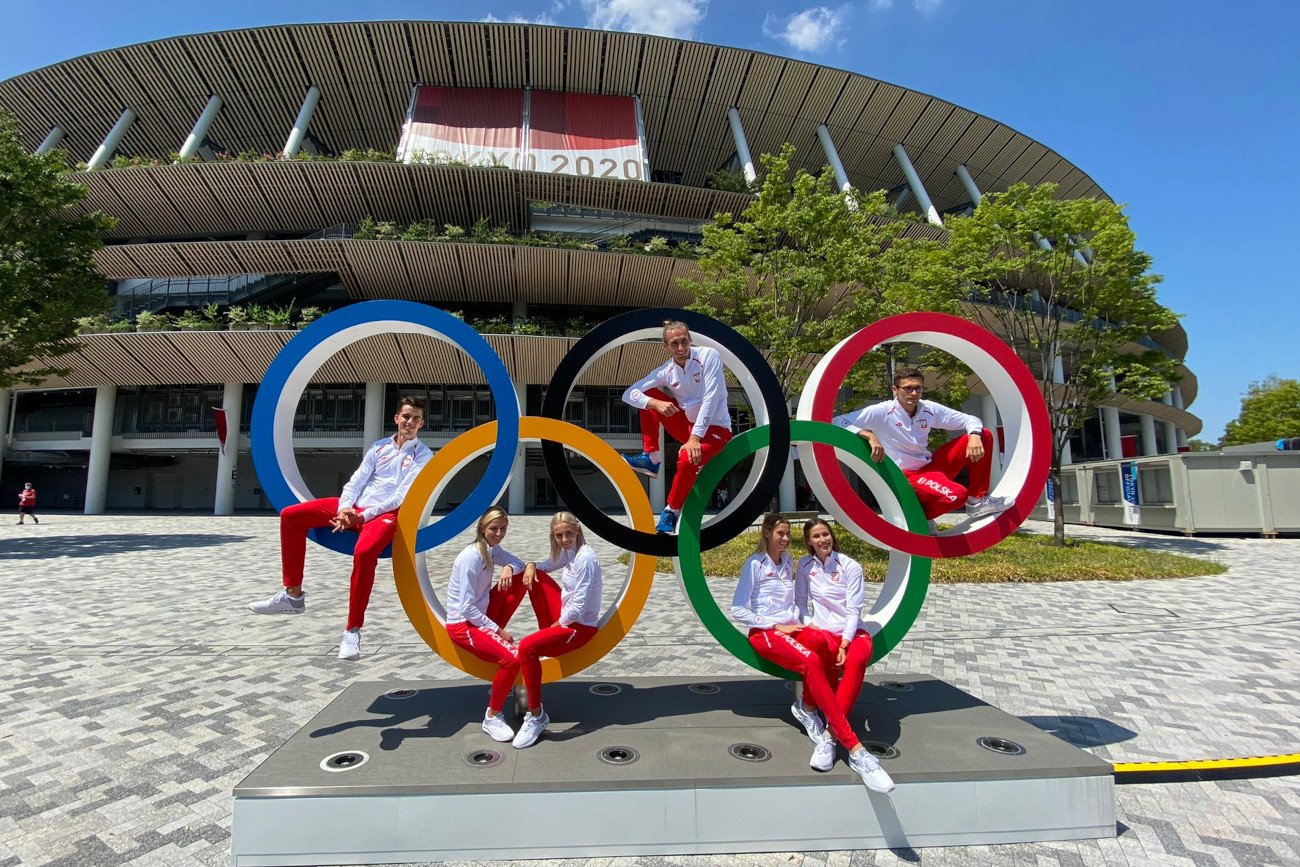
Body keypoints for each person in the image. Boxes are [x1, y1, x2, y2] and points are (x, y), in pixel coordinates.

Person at [248, 396, 432, 662]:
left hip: (384, 515)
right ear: (396, 418)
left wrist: (362, 517)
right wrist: (345, 509)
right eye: (406, 416)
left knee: (365, 552)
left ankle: (352, 631)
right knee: (290, 516)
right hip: (354, 507)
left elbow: (400, 497)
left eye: (416, 418)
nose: (410, 422)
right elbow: (356, 480)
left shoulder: (423, 455)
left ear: (422, 423)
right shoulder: (379, 447)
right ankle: (293, 595)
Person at [730, 513, 895, 794]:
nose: (785, 538)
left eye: (788, 534)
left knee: (823, 645)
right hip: (767, 632)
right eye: (780, 533)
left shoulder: (790, 563)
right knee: (811, 660)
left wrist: (802, 624)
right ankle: (855, 748)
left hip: (798, 628)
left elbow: (798, 604)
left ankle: (810, 711)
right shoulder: (755, 564)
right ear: (767, 533)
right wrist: (776, 625)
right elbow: (738, 609)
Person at [833, 367, 1008, 522]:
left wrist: (975, 435)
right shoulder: (883, 411)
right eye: (908, 388)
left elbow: (970, 419)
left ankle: (977, 501)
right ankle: (919, 519)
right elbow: (837, 421)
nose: (914, 393)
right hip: (907, 475)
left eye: (918, 388)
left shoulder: (928, 408)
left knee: (984, 434)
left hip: (931, 467)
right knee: (956, 495)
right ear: (895, 390)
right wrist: (869, 435)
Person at [621, 320, 733, 535]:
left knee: (687, 458)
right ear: (665, 346)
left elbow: (711, 398)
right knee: (648, 396)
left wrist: (695, 439)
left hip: (716, 429)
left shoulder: (708, 356)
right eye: (674, 343)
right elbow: (629, 394)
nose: (681, 348)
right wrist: (654, 403)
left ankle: (670, 511)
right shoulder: (667, 370)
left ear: (690, 340)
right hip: (687, 427)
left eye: (684, 341)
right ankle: (651, 458)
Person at [509, 511, 604, 749]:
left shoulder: (585, 558)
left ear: (578, 530)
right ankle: (548, 638)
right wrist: (531, 565)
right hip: (566, 617)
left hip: (579, 627)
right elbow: (546, 566)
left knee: (527, 647)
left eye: (568, 533)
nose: (564, 540)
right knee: (537, 576)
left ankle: (536, 715)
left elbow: (579, 607)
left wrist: (559, 623)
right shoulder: (568, 552)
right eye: (558, 535)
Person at [444, 506, 530, 744]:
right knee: (512, 659)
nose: (499, 534)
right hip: (463, 625)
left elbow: (518, 563)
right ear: (482, 528)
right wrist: (498, 630)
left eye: (503, 529)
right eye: (494, 528)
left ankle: (504, 688)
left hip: (479, 617)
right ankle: (492, 716)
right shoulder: (471, 557)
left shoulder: (492, 550)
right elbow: (466, 608)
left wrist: (508, 567)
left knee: (520, 579)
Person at [795, 519, 875, 721]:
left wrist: (845, 643)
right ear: (809, 541)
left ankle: (834, 727)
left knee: (857, 660)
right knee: (820, 660)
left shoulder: (850, 566)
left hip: (853, 633)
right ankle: (820, 711)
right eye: (816, 536)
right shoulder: (804, 565)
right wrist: (810, 623)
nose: (823, 539)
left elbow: (853, 609)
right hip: (824, 632)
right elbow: (800, 602)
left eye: (826, 534)